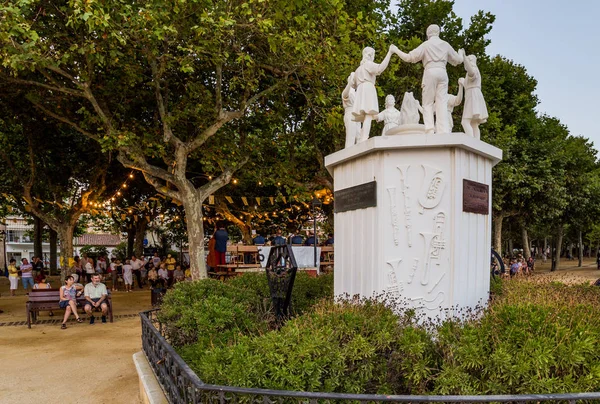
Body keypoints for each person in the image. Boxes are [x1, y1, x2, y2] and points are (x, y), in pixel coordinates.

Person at [393, 24, 464, 134]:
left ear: (428, 34)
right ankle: (443, 130)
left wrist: (396, 50)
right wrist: (460, 53)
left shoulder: (426, 45)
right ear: (438, 32)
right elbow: (458, 60)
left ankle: (430, 129)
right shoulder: (445, 45)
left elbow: (409, 57)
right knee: (442, 102)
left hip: (430, 72)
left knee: (427, 103)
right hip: (442, 72)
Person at [351, 45, 395, 142]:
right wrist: (389, 53)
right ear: (370, 55)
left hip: (360, 89)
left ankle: (361, 137)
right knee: (368, 115)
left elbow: (353, 84)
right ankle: (363, 138)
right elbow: (379, 69)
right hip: (367, 88)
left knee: (364, 116)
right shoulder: (368, 65)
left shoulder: (358, 69)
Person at [461, 54, 488, 139]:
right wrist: (463, 83)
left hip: (472, 95)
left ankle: (471, 142)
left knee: (465, 121)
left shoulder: (474, 69)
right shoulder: (475, 70)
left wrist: (464, 57)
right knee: (473, 123)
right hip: (473, 94)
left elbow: (471, 73)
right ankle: (476, 142)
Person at [342, 72, 359, 148]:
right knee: (350, 137)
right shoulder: (347, 91)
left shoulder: (356, 93)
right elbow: (345, 95)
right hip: (350, 114)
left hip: (357, 115)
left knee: (359, 136)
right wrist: (350, 83)